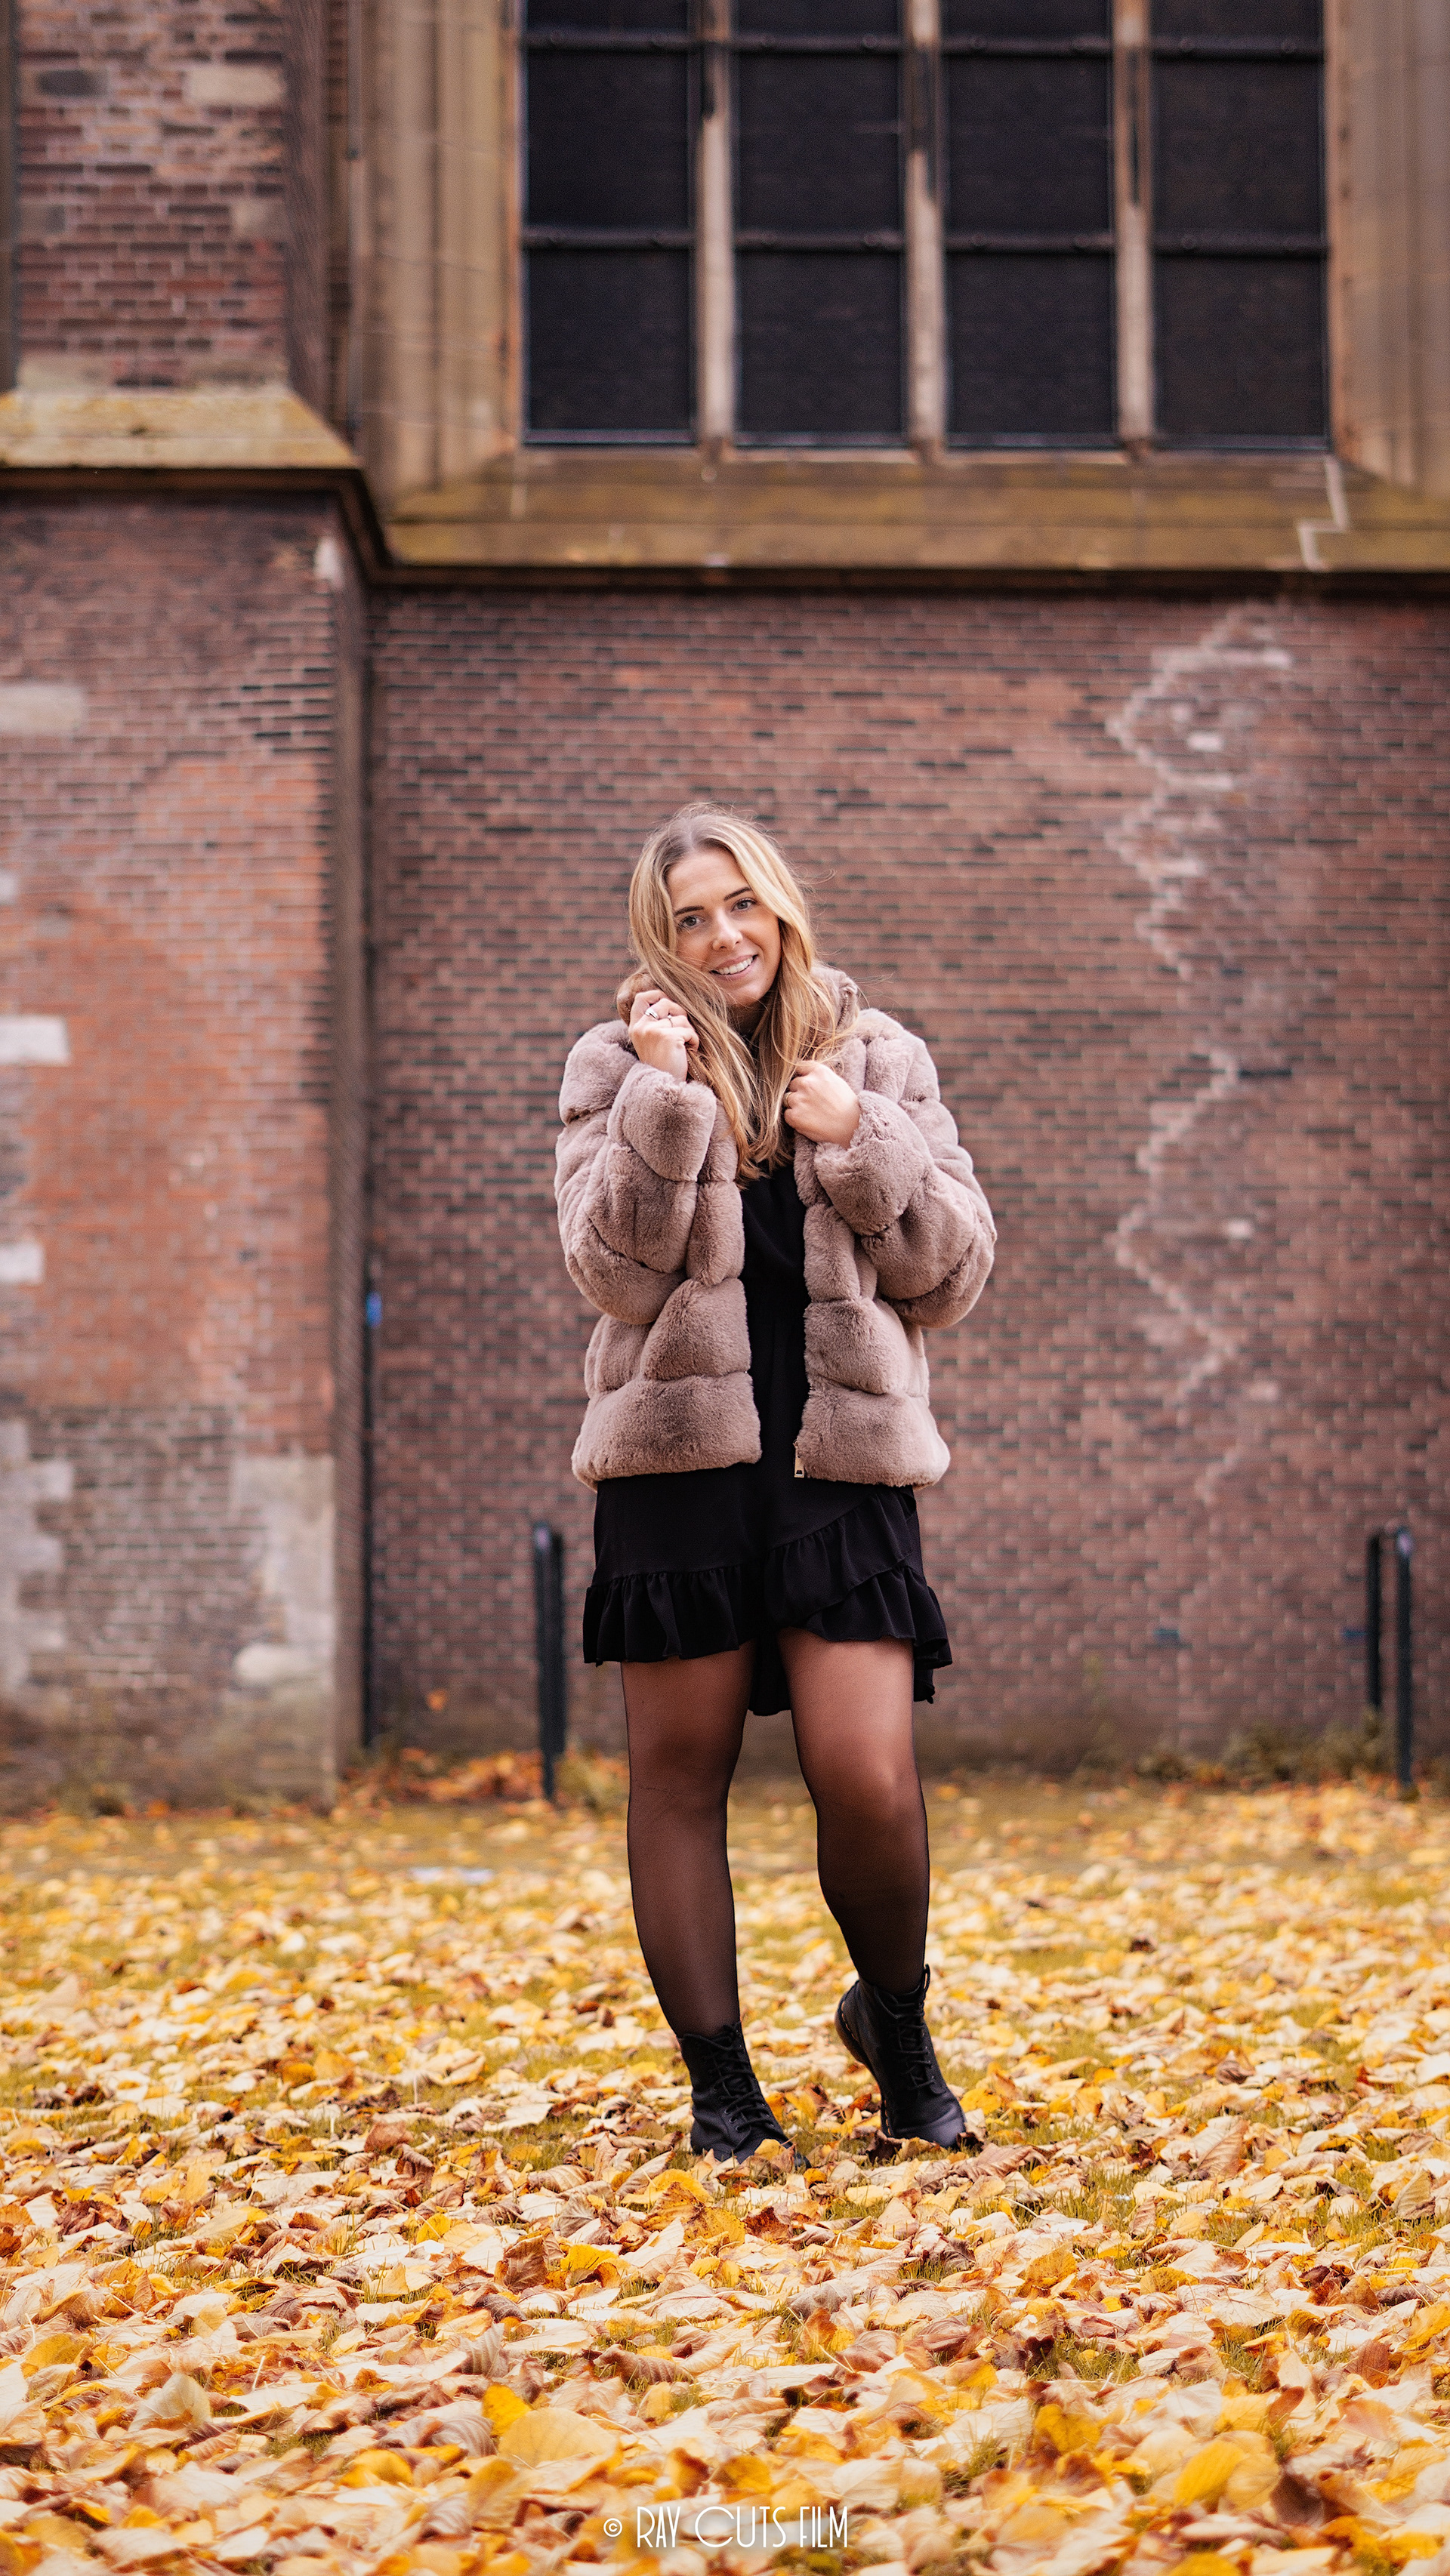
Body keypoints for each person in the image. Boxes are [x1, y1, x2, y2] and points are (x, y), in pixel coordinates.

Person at [554, 806, 995, 2160]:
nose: (722, 936)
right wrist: (662, 1101)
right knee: (678, 1780)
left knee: (867, 1774)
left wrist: (863, 1138)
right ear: (660, 939)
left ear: (782, 906)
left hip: (838, 1467)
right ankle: (725, 2097)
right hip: (678, 1472)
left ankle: (898, 2034)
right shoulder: (613, 1064)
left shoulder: (878, 1057)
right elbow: (610, 1271)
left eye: (739, 903)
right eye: (689, 918)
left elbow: (952, 1275)